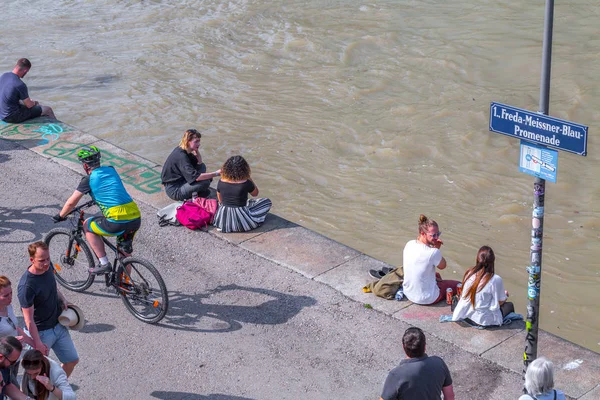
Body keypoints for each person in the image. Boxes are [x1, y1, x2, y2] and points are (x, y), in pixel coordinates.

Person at [53, 145, 141, 274]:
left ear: (85, 165)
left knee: (87, 225)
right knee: (124, 252)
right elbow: (109, 189)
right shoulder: (111, 170)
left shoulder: (88, 180)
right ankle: (126, 284)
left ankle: (104, 263)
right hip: (135, 217)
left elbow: (72, 202)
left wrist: (60, 216)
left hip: (117, 221)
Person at [18, 242, 79, 378]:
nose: (46, 263)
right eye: (41, 261)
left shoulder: (47, 268)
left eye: (48, 259)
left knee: (72, 360)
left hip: (58, 326)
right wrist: (38, 343)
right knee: (36, 372)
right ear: (32, 260)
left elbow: (52, 286)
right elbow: (29, 320)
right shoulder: (27, 287)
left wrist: (62, 299)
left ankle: (53, 388)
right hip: (41, 333)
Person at [379, 327, 454, 400]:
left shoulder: (396, 375)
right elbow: (450, 397)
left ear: (403, 347)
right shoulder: (439, 363)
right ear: (424, 346)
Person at [402, 214, 460, 304]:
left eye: (438, 234)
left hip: (408, 293)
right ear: (422, 233)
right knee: (460, 285)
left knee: (436, 275)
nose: (437, 238)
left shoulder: (409, 244)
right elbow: (443, 266)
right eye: (433, 235)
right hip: (427, 298)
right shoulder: (433, 252)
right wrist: (436, 248)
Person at [452, 246, 515, 326]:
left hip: (466, 314)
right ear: (493, 261)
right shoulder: (496, 279)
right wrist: (505, 295)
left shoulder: (469, 272)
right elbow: (499, 302)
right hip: (483, 320)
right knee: (509, 306)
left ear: (477, 259)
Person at [213, 155, 272, 233]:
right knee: (267, 202)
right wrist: (249, 178)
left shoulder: (221, 181)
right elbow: (255, 193)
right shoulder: (246, 183)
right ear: (244, 169)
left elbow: (220, 201)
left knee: (244, 202)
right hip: (242, 222)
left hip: (223, 221)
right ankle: (243, 221)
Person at [161, 129, 221, 201]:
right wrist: (217, 173)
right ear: (187, 142)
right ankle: (193, 196)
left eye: (199, 141)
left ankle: (194, 192)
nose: (199, 144)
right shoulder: (181, 156)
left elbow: (199, 163)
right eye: (196, 142)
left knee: (202, 167)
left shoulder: (185, 151)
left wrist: (196, 151)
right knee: (205, 182)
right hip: (174, 190)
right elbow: (197, 177)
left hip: (181, 181)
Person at [0, 58, 56, 123]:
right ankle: (57, 129)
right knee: (47, 109)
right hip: (11, 117)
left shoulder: (4, 76)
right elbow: (29, 105)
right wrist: (35, 103)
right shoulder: (20, 84)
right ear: (25, 70)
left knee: (23, 102)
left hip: (1, 114)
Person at [0, 336, 34, 400]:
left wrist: (27, 399)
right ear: (1, 357)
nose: (12, 365)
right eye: (12, 362)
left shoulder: (4, 366)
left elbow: (7, 386)